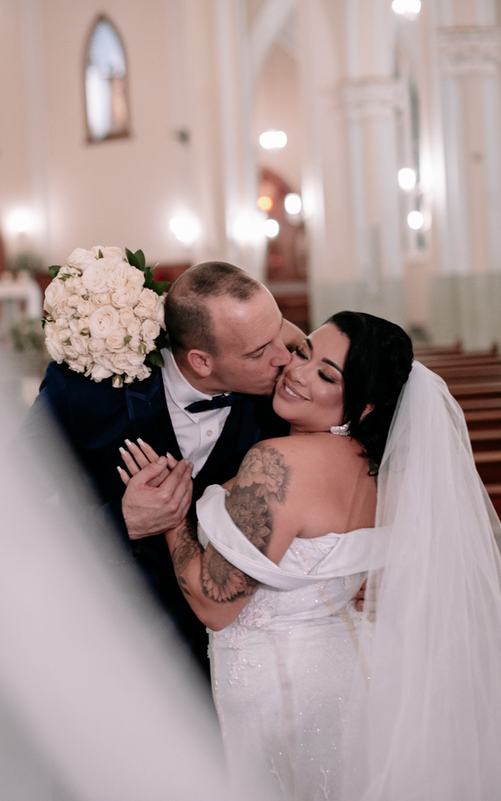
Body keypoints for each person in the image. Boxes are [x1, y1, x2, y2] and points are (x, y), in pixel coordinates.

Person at [121, 311, 501, 800]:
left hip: (278, 692)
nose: (297, 372)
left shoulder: (279, 461)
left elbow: (214, 604)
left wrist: (172, 518)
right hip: (348, 675)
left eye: (326, 376)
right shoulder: (383, 468)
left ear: (365, 406)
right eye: (302, 353)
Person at [23, 262, 303, 680]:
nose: (284, 358)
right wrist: (123, 521)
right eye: (259, 351)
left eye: (280, 333)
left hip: (241, 654)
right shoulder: (85, 391)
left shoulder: (288, 398)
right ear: (201, 361)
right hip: (114, 649)